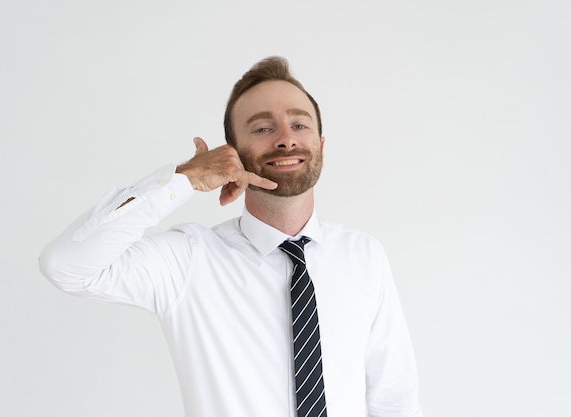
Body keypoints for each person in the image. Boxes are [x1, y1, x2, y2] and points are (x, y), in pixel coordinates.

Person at [40, 56, 423, 417]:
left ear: (321, 147)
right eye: (262, 128)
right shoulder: (189, 261)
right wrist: (184, 178)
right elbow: (67, 266)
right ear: (232, 154)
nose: (286, 139)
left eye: (300, 124)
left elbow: (393, 398)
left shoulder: (364, 255)